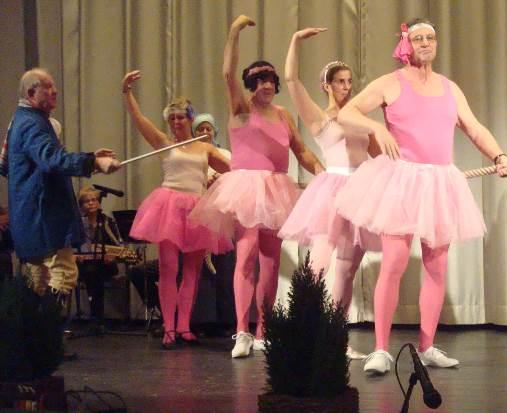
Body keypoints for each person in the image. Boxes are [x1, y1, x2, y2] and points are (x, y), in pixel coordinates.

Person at [334, 19, 507, 374]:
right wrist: (375, 126)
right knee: (395, 262)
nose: (425, 43)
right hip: (401, 180)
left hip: (440, 183)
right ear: (406, 44)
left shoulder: (449, 88)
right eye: (418, 38)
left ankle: (427, 346)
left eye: (430, 37)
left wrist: (498, 155)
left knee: (437, 266)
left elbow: (473, 127)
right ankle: (381, 349)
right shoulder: (390, 83)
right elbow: (347, 112)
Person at [189, 15, 324, 358]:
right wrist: (233, 32)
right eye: (259, 80)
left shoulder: (283, 115)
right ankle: (241, 331)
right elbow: (226, 73)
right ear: (251, 85)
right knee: (246, 254)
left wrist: (323, 172)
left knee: (272, 260)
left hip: (278, 190)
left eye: (270, 80)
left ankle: (265, 329)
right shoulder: (240, 110)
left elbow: (301, 150)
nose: (265, 85)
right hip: (248, 189)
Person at [278, 28, 381, 360]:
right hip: (332, 192)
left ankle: (337, 338)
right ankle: (304, 335)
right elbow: (291, 80)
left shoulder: (361, 118)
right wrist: (294, 40)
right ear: (327, 85)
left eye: (350, 81)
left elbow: (380, 156)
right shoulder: (319, 118)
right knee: (318, 268)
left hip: (360, 190)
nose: (346, 87)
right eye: (340, 81)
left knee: (348, 270)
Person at [122, 71, 232, 349]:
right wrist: (127, 93)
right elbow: (140, 121)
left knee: (192, 271)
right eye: (171, 118)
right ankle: (169, 328)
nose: (175, 122)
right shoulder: (164, 143)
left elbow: (230, 169)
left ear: (190, 119)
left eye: (180, 117)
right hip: (169, 206)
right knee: (169, 268)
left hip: (197, 208)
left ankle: (184, 326)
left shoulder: (204, 148)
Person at [7, 67, 120, 305]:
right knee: (64, 274)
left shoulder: (21, 120)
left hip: (31, 215)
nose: (55, 91)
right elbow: (51, 159)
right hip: (44, 215)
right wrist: (94, 162)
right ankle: (48, 332)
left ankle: (33, 335)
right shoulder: (33, 124)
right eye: (47, 87)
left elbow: (7, 165)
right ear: (31, 93)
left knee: (36, 280)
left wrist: (90, 158)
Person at [192, 114, 236, 334]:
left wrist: (219, 180)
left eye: (208, 128)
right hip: (199, 215)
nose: (204, 133)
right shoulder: (191, 155)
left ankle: (226, 320)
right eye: (200, 129)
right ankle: (202, 320)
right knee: (201, 270)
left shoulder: (225, 154)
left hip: (221, 216)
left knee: (225, 268)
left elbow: (236, 177)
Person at [75, 187, 123, 332]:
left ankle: (96, 319)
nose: (91, 203)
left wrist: (113, 255)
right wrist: (76, 255)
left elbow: (118, 245)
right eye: (86, 201)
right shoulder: (77, 224)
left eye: (94, 200)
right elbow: (71, 247)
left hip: (105, 264)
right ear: (81, 206)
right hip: (83, 265)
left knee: (95, 271)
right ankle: (97, 319)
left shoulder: (107, 222)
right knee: (91, 271)